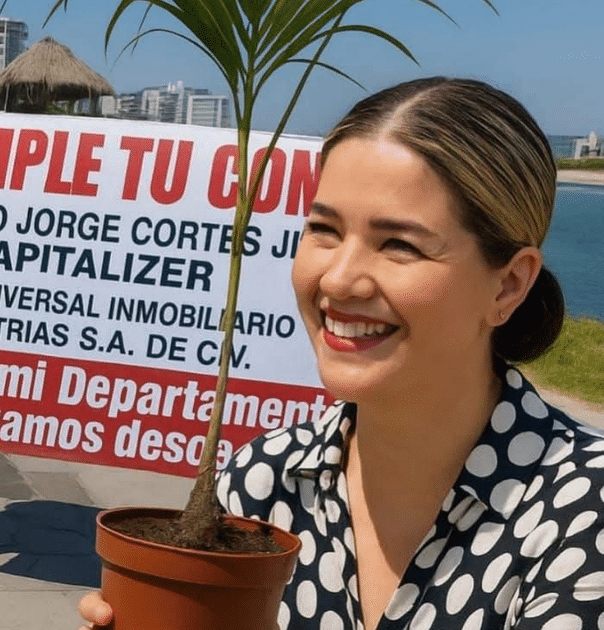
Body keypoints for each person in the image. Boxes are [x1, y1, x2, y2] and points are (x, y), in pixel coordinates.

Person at [79, 77, 604, 629]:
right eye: (323, 229)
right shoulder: (265, 482)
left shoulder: (580, 512)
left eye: (399, 244)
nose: (339, 279)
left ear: (508, 286)